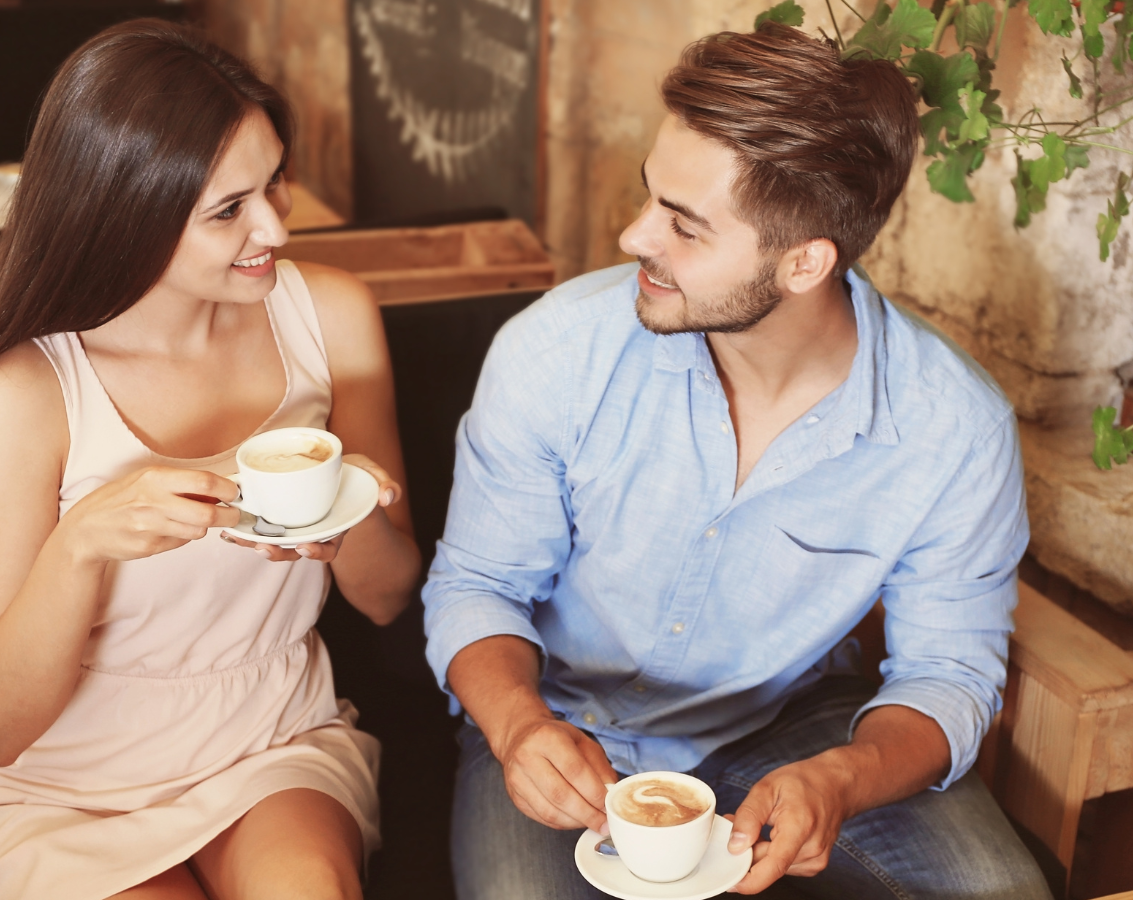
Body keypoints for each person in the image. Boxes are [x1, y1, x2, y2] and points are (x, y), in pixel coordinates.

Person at [422, 22, 1052, 900]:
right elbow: (476, 583)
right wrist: (518, 726)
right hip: (560, 721)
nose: (634, 236)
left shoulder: (956, 430)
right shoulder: (553, 351)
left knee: (1000, 890)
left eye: (684, 225)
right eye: (651, 198)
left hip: (792, 725)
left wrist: (843, 777)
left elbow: (948, 674)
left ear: (804, 262)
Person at [0, 20, 420, 900]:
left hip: (271, 740)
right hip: (61, 785)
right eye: (229, 210)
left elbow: (387, 597)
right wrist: (81, 542)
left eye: (275, 183)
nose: (274, 225)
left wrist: (345, 519)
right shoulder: (21, 397)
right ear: (124, 211)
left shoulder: (334, 316)